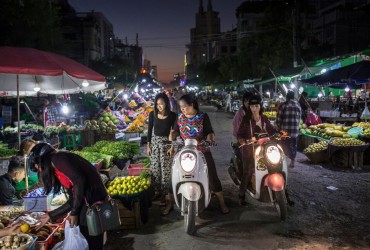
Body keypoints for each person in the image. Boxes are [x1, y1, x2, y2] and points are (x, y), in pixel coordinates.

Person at [28, 143, 108, 250]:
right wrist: (49, 216)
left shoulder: (58, 159)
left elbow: (79, 180)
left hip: (93, 203)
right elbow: (72, 199)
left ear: (43, 160)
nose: (40, 171)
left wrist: (74, 212)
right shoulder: (57, 167)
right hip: (88, 202)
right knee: (87, 236)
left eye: (39, 167)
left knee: (92, 238)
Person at [169, 94, 230, 214]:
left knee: (212, 176)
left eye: (185, 107)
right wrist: (173, 135)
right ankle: (170, 203)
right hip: (183, 150)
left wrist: (210, 137)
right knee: (174, 175)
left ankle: (222, 202)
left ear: (192, 105)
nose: (183, 109)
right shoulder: (180, 116)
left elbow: (209, 131)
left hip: (201, 149)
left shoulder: (202, 116)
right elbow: (176, 131)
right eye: (181, 107)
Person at [237, 94, 276, 206]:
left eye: (256, 106)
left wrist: (277, 134)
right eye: (252, 106)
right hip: (249, 150)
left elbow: (271, 129)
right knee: (248, 171)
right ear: (249, 107)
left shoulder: (264, 118)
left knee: (275, 166)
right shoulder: (246, 119)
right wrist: (244, 140)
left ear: (260, 106)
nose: (254, 109)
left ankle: (285, 194)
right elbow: (240, 134)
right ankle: (241, 195)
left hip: (264, 149)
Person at [147, 93, 177, 215]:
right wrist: (148, 146)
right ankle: (158, 193)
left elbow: (174, 133)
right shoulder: (152, 114)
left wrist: (172, 146)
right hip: (154, 144)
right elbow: (149, 130)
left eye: (162, 104)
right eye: (157, 104)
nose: (160, 106)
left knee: (166, 171)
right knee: (155, 170)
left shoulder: (173, 116)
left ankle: (165, 197)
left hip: (166, 145)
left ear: (166, 103)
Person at [276, 90, 302, 169]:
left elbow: (278, 119)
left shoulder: (283, 105)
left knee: (284, 146)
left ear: (286, 97)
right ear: (293, 97)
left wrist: (278, 127)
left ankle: (284, 161)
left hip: (285, 132)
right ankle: (292, 160)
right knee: (293, 146)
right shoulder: (298, 105)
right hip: (295, 131)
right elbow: (299, 118)